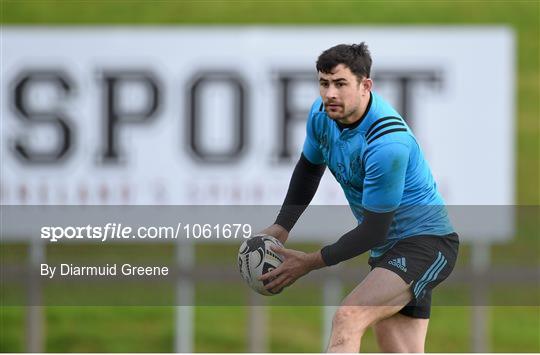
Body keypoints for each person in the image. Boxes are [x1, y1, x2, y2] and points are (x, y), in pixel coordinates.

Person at [258, 43, 459, 353]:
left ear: (366, 86)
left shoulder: (387, 143)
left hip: (426, 243)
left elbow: (373, 230)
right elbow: (310, 169)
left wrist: (308, 263)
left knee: (348, 316)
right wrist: (282, 226)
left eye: (340, 84)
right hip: (389, 249)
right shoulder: (321, 115)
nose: (329, 94)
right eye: (324, 83)